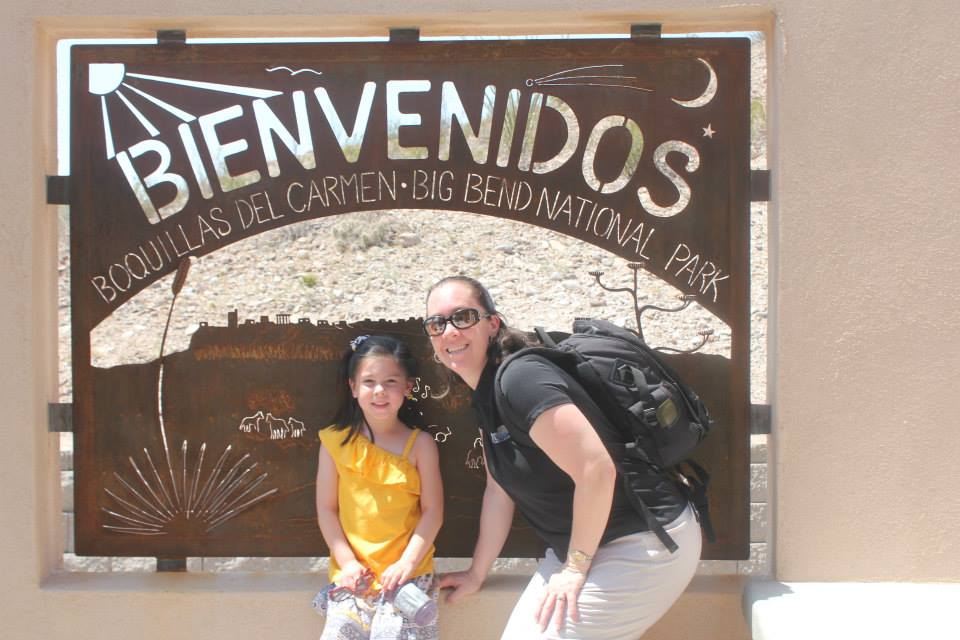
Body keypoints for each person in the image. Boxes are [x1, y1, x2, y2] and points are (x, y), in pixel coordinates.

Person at [427, 276, 701, 640]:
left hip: (642, 544)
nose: (449, 331)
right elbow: (499, 491)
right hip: (584, 546)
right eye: (436, 323)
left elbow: (597, 470)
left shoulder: (519, 381)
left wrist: (574, 569)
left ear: (492, 324)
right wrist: (477, 572)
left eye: (463, 317)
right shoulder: (487, 396)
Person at [315, 334, 443, 640]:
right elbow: (326, 509)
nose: (379, 391)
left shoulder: (420, 445)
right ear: (353, 387)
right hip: (353, 576)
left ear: (408, 387)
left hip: (408, 576)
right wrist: (347, 563)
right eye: (369, 381)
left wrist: (407, 563)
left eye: (390, 382)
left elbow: (433, 511)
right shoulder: (335, 442)